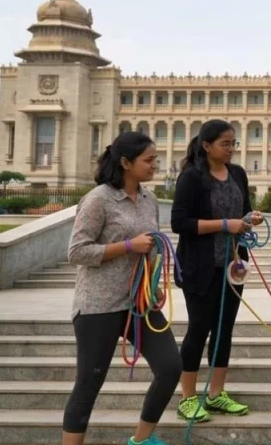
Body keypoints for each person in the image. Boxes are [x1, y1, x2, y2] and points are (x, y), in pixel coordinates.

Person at [62, 131, 182, 445]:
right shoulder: (98, 199)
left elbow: (152, 246)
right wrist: (127, 246)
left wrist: (153, 282)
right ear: (126, 162)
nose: (156, 165)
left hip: (139, 302)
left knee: (170, 367)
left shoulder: (149, 199)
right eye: (149, 160)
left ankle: (141, 440)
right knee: (89, 383)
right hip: (98, 305)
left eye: (155, 159)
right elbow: (77, 251)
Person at [171, 119, 263, 422]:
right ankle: (187, 396)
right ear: (207, 145)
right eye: (225, 143)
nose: (231, 149)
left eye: (233, 143)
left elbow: (242, 211)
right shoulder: (192, 178)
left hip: (233, 265)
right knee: (199, 328)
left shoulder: (237, 174)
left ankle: (216, 394)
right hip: (200, 267)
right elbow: (179, 223)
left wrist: (250, 218)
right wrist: (224, 225)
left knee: (225, 329)